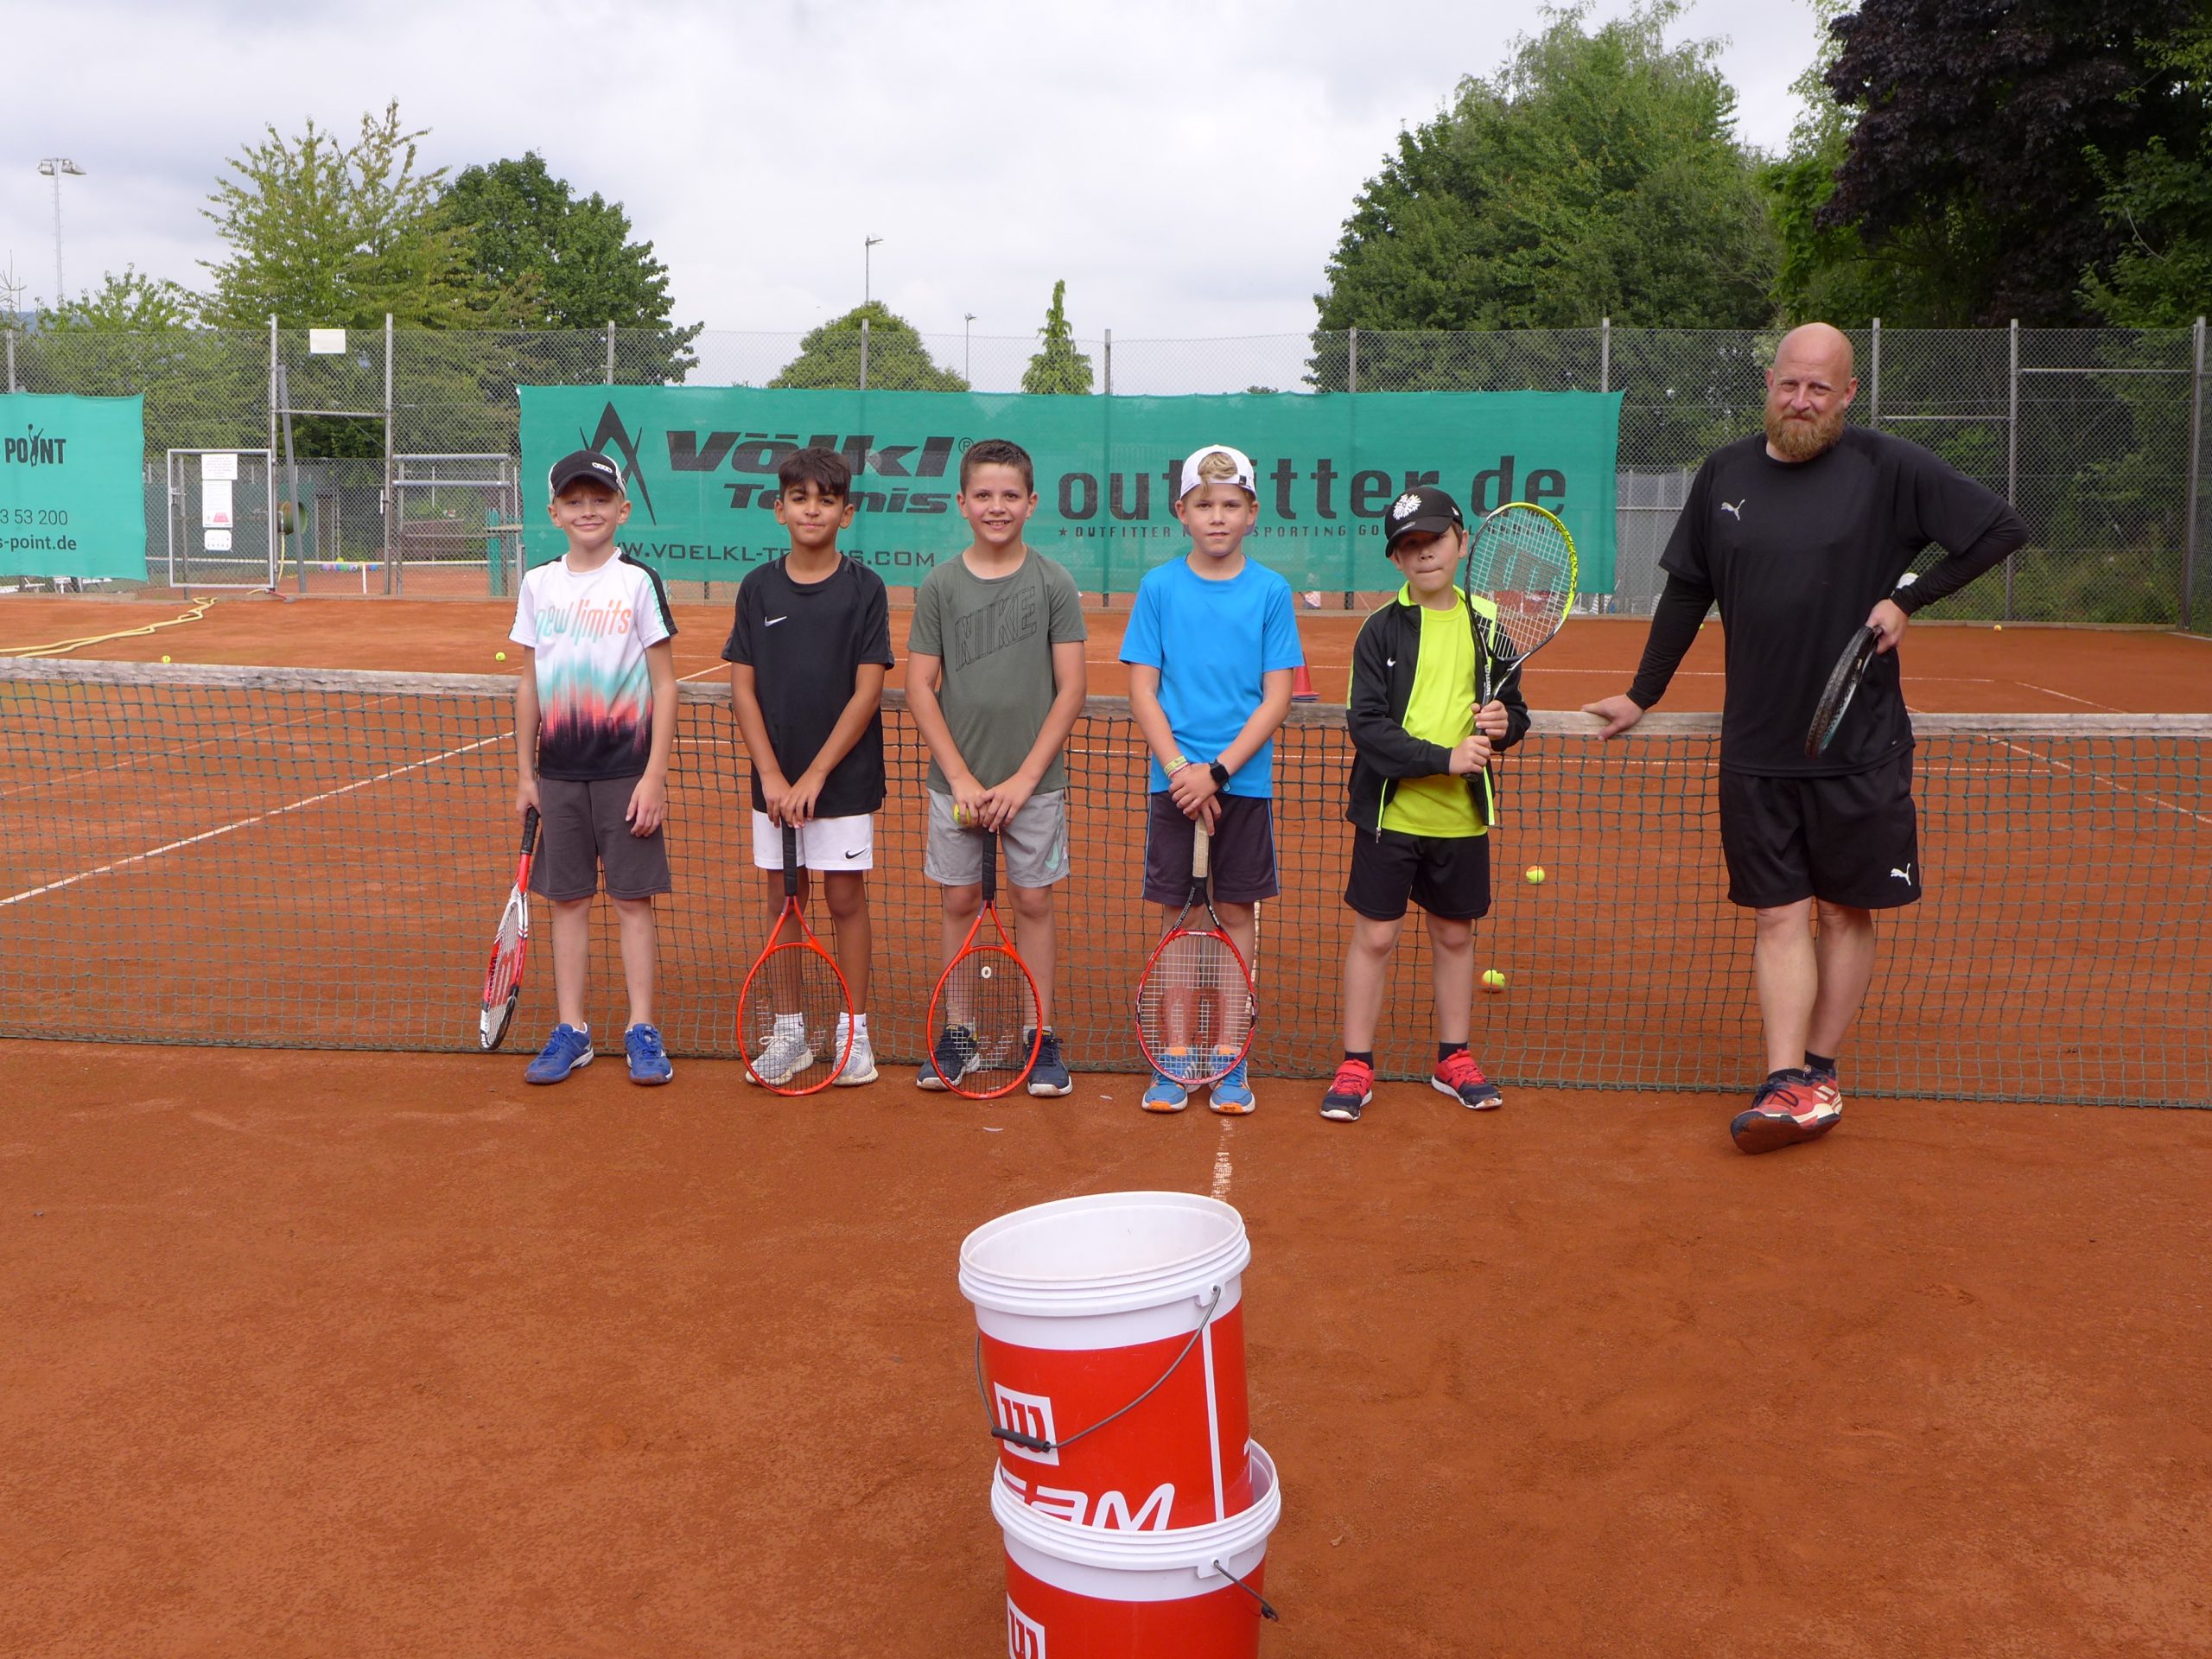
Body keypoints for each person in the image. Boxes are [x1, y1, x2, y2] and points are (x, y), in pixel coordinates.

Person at [1582, 322, 2026, 1154]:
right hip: (1756, 745)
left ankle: (1820, 1068)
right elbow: (1688, 593)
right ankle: (1786, 1078)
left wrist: (1908, 598)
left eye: (1820, 388)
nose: (1801, 400)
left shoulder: (1888, 468)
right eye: (1789, 384)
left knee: (1846, 912)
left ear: (1847, 394)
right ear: (1769, 383)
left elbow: (2001, 527)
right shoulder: (1725, 473)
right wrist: (1643, 694)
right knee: (1777, 915)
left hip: (1859, 743)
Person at [1321, 485, 1529, 1124]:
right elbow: (1366, 725)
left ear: (1461, 543)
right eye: (1409, 545)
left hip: (1461, 817)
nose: (1424, 553)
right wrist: (1443, 758)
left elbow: (1514, 711)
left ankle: (1453, 1058)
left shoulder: (1488, 623)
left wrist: (1504, 725)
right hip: (1391, 815)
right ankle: (1356, 1063)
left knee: (1455, 935)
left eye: (1434, 540)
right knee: (1376, 936)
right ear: (1396, 559)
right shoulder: (1379, 629)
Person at [1121, 443, 1304, 1115]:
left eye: (1231, 504)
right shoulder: (1159, 588)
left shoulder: (1271, 592)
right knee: (1179, 918)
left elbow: (1276, 698)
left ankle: (1229, 1053)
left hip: (1242, 787)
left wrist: (1219, 772)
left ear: (1252, 513)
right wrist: (1181, 771)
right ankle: (1173, 1053)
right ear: (1182, 512)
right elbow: (1143, 690)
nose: (1217, 516)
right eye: (1204, 505)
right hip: (1174, 786)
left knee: (1235, 915)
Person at [905, 438, 1089, 1096]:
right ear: (961, 502)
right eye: (983, 494)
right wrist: (960, 777)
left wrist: (1023, 781)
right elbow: (920, 686)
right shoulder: (940, 585)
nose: (997, 506)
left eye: (1010, 495)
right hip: (955, 784)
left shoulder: (1053, 582)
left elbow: (1072, 689)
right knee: (958, 900)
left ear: (1032, 503)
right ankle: (959, 1035)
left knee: (1033, 901)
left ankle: (1041, 1036)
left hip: (1033, 786)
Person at [724, 446, 896, 1086]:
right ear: (779, 510)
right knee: (783, 901)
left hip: (844, 781)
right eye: (800, 498)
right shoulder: (757, 588)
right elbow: (743, 690)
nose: (812, 510)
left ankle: (855, 1034)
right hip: (774, 782)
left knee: (845, 897)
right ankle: (790, 1033)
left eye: (826, 500)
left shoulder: (865, 590)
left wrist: (817, 775)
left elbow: (868, 691)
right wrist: (773, 776)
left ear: (846, 513)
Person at [510, 448, 678, 1086]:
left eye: (600, 499)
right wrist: (526, 775)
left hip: (626, 774)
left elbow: (665, 684)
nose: (588, 510)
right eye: (574, 501)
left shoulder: (638, 582)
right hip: (558, 774)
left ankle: (641, 1028)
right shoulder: (538, 584)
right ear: (554, 512)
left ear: (622, 509)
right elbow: (529, 684)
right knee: (568, 903)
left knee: (633, 902)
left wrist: (654, 777)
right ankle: (572, 1030)